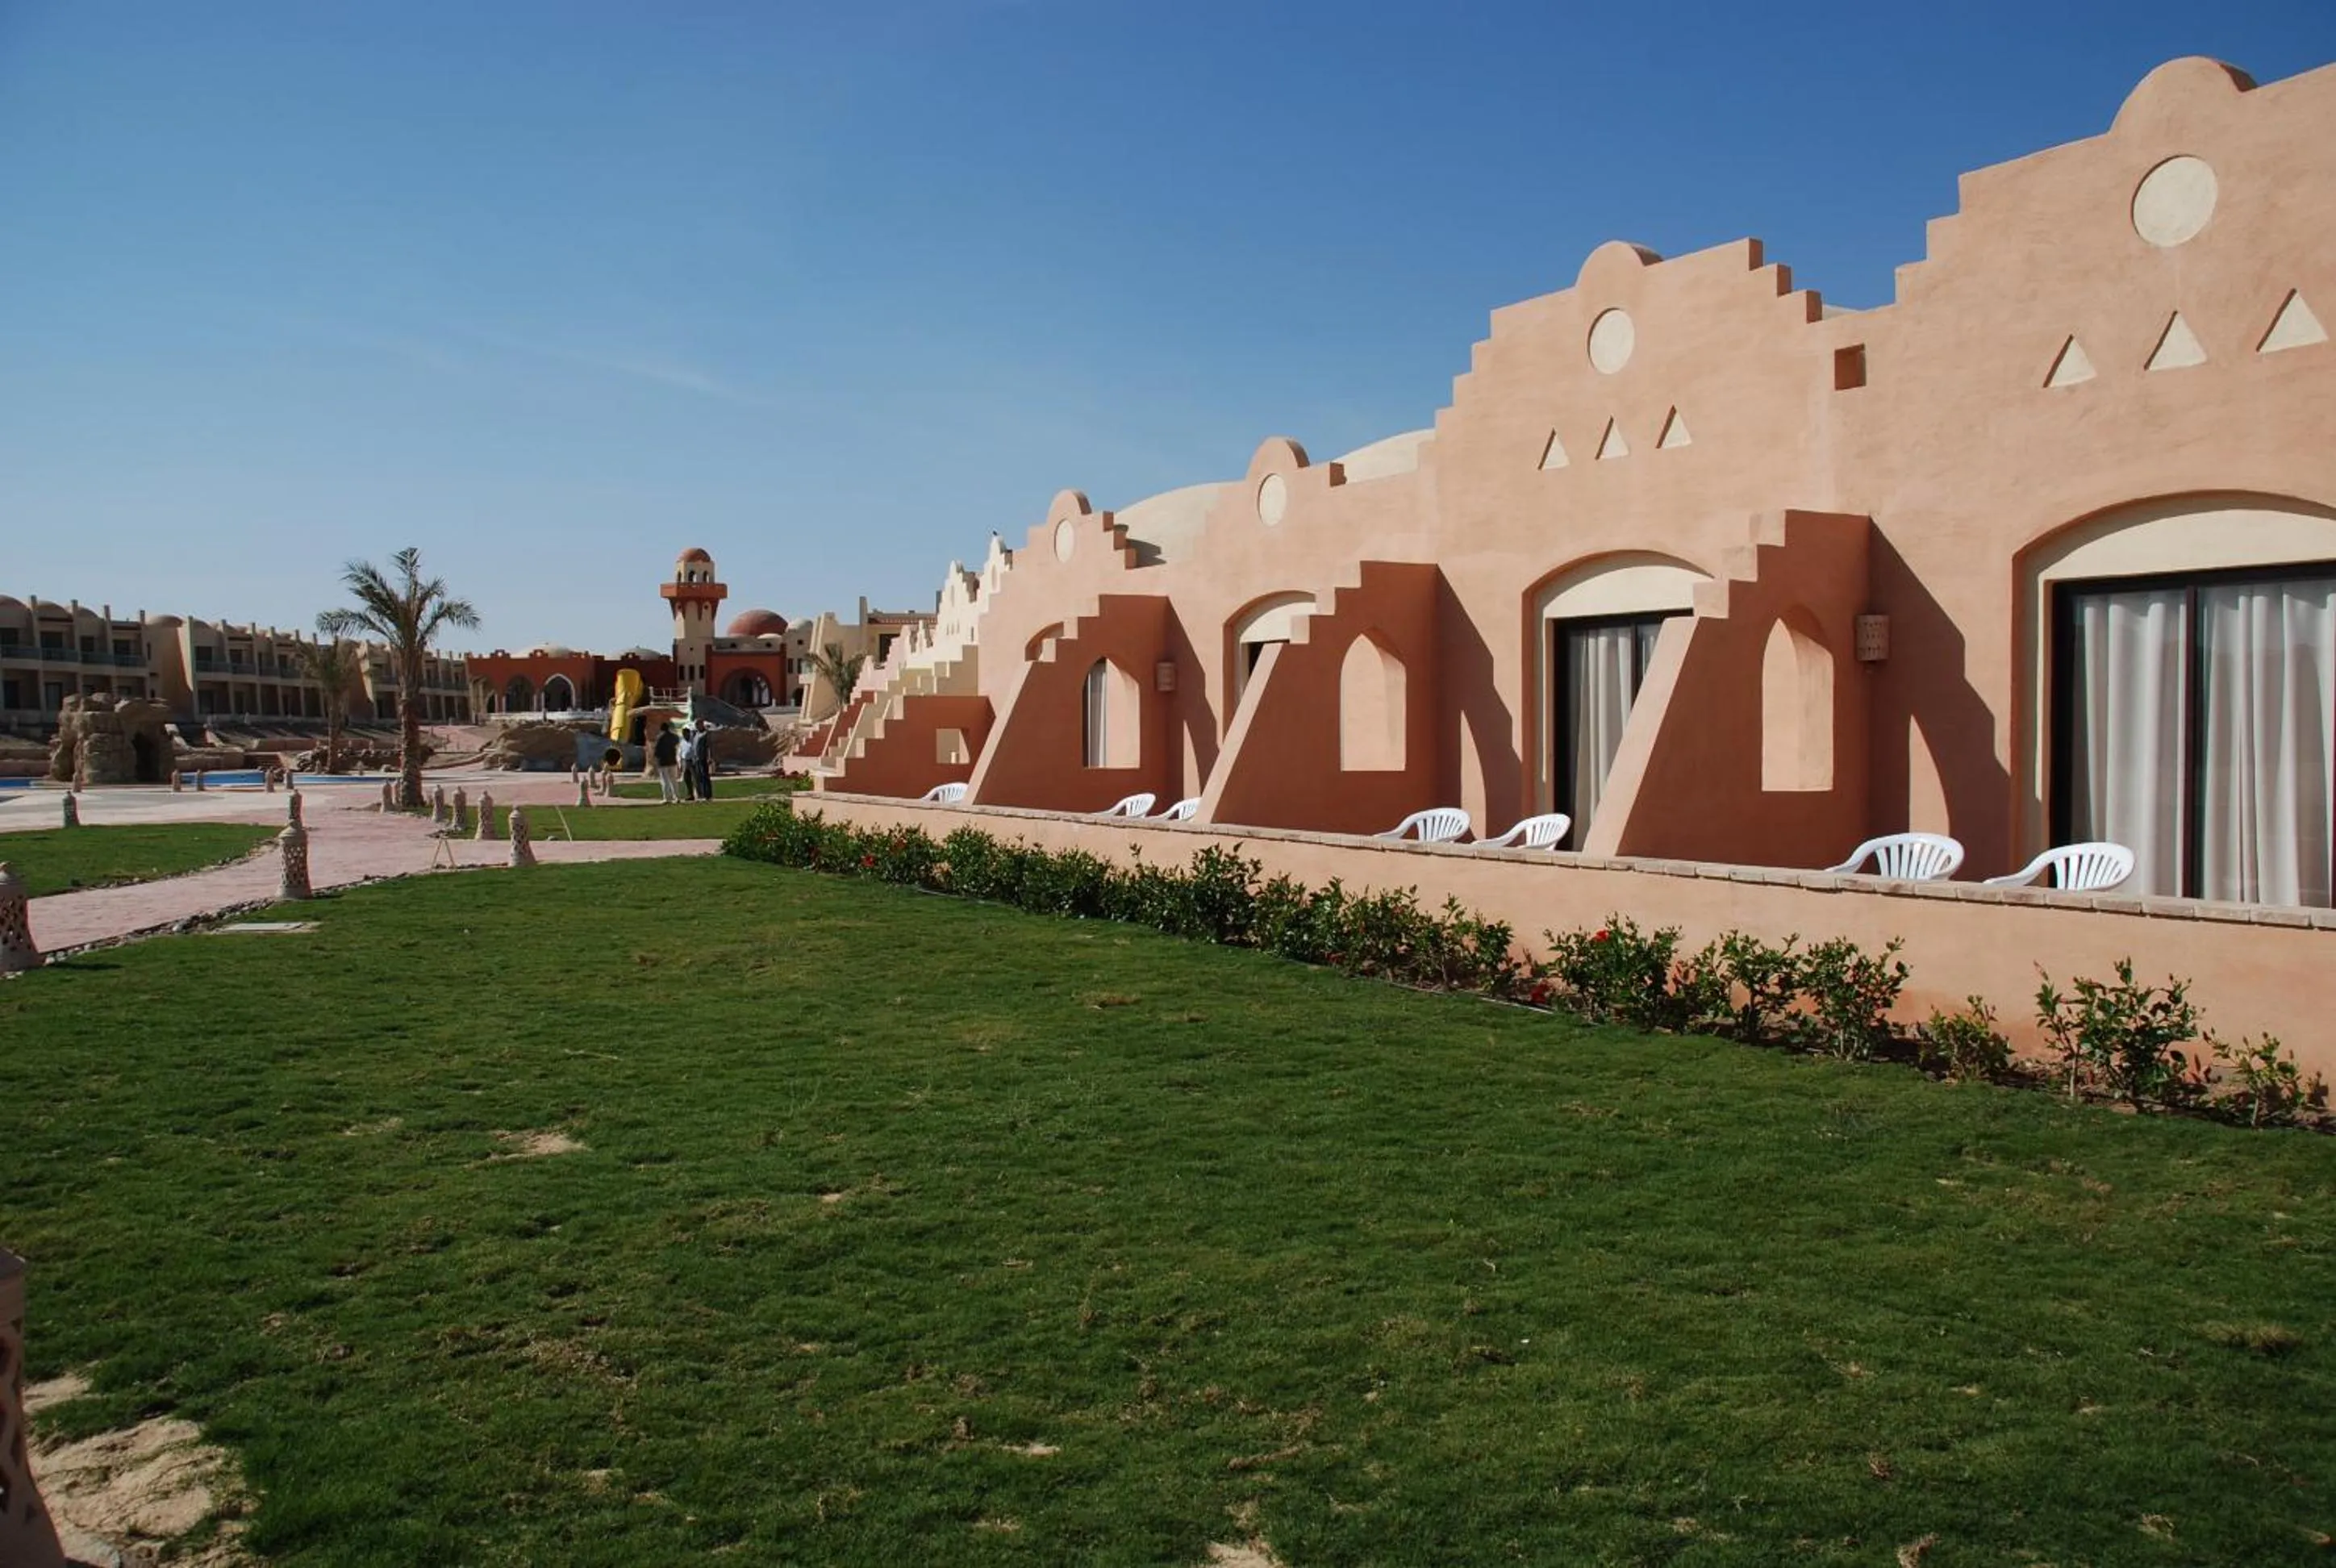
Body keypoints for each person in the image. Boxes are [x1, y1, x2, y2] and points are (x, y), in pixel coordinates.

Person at [652, 722, 682, 803]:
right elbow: (677, 745)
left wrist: (655, 762)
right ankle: (677, 797)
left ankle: (667, 798)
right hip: (672, 760)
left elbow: (657, 751)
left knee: (665, 781)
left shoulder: (660, 738)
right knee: (674, 780)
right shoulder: (674, 737)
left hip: (663, 762)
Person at [691, 724, 715, 801]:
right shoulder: (696, 734)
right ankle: (701, 794)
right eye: (696, 725)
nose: (697, 726)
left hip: (703, 758)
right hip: (697, 758)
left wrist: (709, 757)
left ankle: (708, 795)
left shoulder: (705, 734)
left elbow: (709, 747)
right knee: (699, 777)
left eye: (698, 725)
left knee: (705, 776)